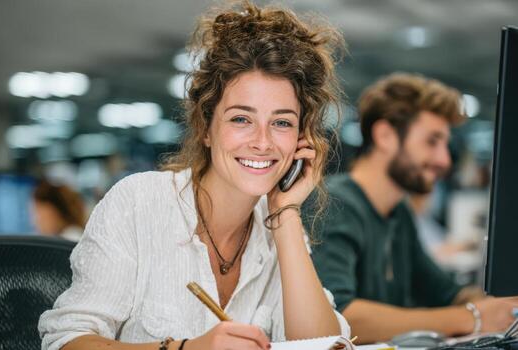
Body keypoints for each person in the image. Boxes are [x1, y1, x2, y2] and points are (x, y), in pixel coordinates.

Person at [38, 2, 350, 350]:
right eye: (241, 119)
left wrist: (285, 214)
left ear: (300, 140)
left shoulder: (279, 228)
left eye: (281, 123)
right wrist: (186, 348)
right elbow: (66, 342)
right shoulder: (138, 203)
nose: (262, 142)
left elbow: (326, 346)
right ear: (206, 128)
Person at [312, 73, 518, 343]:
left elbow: (445, 291)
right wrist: (472, 317)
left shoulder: (398, 213)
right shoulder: (333, 204)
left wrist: (503, 306)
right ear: (385, 135)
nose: (444, 160)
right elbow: (338, 315)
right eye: (432, 141)